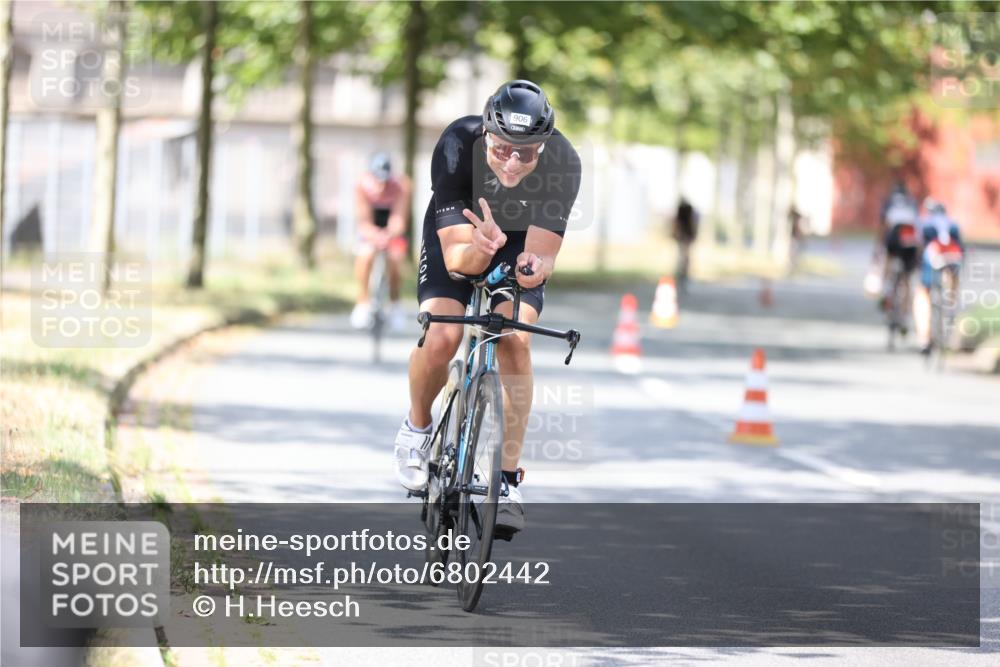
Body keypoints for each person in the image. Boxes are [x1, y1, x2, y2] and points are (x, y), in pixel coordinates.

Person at [392, 80, 581, 535]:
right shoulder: (458, 144)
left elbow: (542, 255)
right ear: (486, 134)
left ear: (543, 146)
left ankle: (507, 480)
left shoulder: (563, 161)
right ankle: (417, 429)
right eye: (502, 149)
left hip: (519, 241)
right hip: (462, 234)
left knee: (514, 339)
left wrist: (533, 269)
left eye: (526, 153)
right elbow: (458, 262)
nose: (513, 161)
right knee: (443, 335)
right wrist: (480, 248)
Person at [350, 153, 412, 330]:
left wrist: (389, 235)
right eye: (377, 179)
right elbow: (363, 221)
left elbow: (399, 219)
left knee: (395, 259)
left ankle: (395, 302)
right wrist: (375, 236)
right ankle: (362, 302)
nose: (381, 185)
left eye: (384, 180)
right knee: (365, 256)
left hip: (392, 231)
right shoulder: (362, 186)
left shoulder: (402, 186)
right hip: (371, 229)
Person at [914, 198, 964, 355]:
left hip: (933, 253)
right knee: (953, 279)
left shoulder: (925, 222)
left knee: (923, 293)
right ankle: (950, 309)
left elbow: (920, 246)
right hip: (953, 254)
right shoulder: (953, 223)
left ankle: (924, 337)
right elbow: (961, 249)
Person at [877, 182, 920, 324]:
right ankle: (905, 314)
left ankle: (886, 292)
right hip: (909, 236)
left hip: (895, 234)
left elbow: (884, 226)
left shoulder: (889, 202)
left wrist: (879, 247)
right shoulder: (912, 203)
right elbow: (917, 227)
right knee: (907, 278)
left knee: (888, 260)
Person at [671, 197, 698, 290]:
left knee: (684, 257)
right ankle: (682, 276)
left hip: (685, 236)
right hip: (684, 236)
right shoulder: (685, 210)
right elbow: (688, 223)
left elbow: (682, 223)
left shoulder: (685, 210)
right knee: (684, 257)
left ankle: (683, 276)